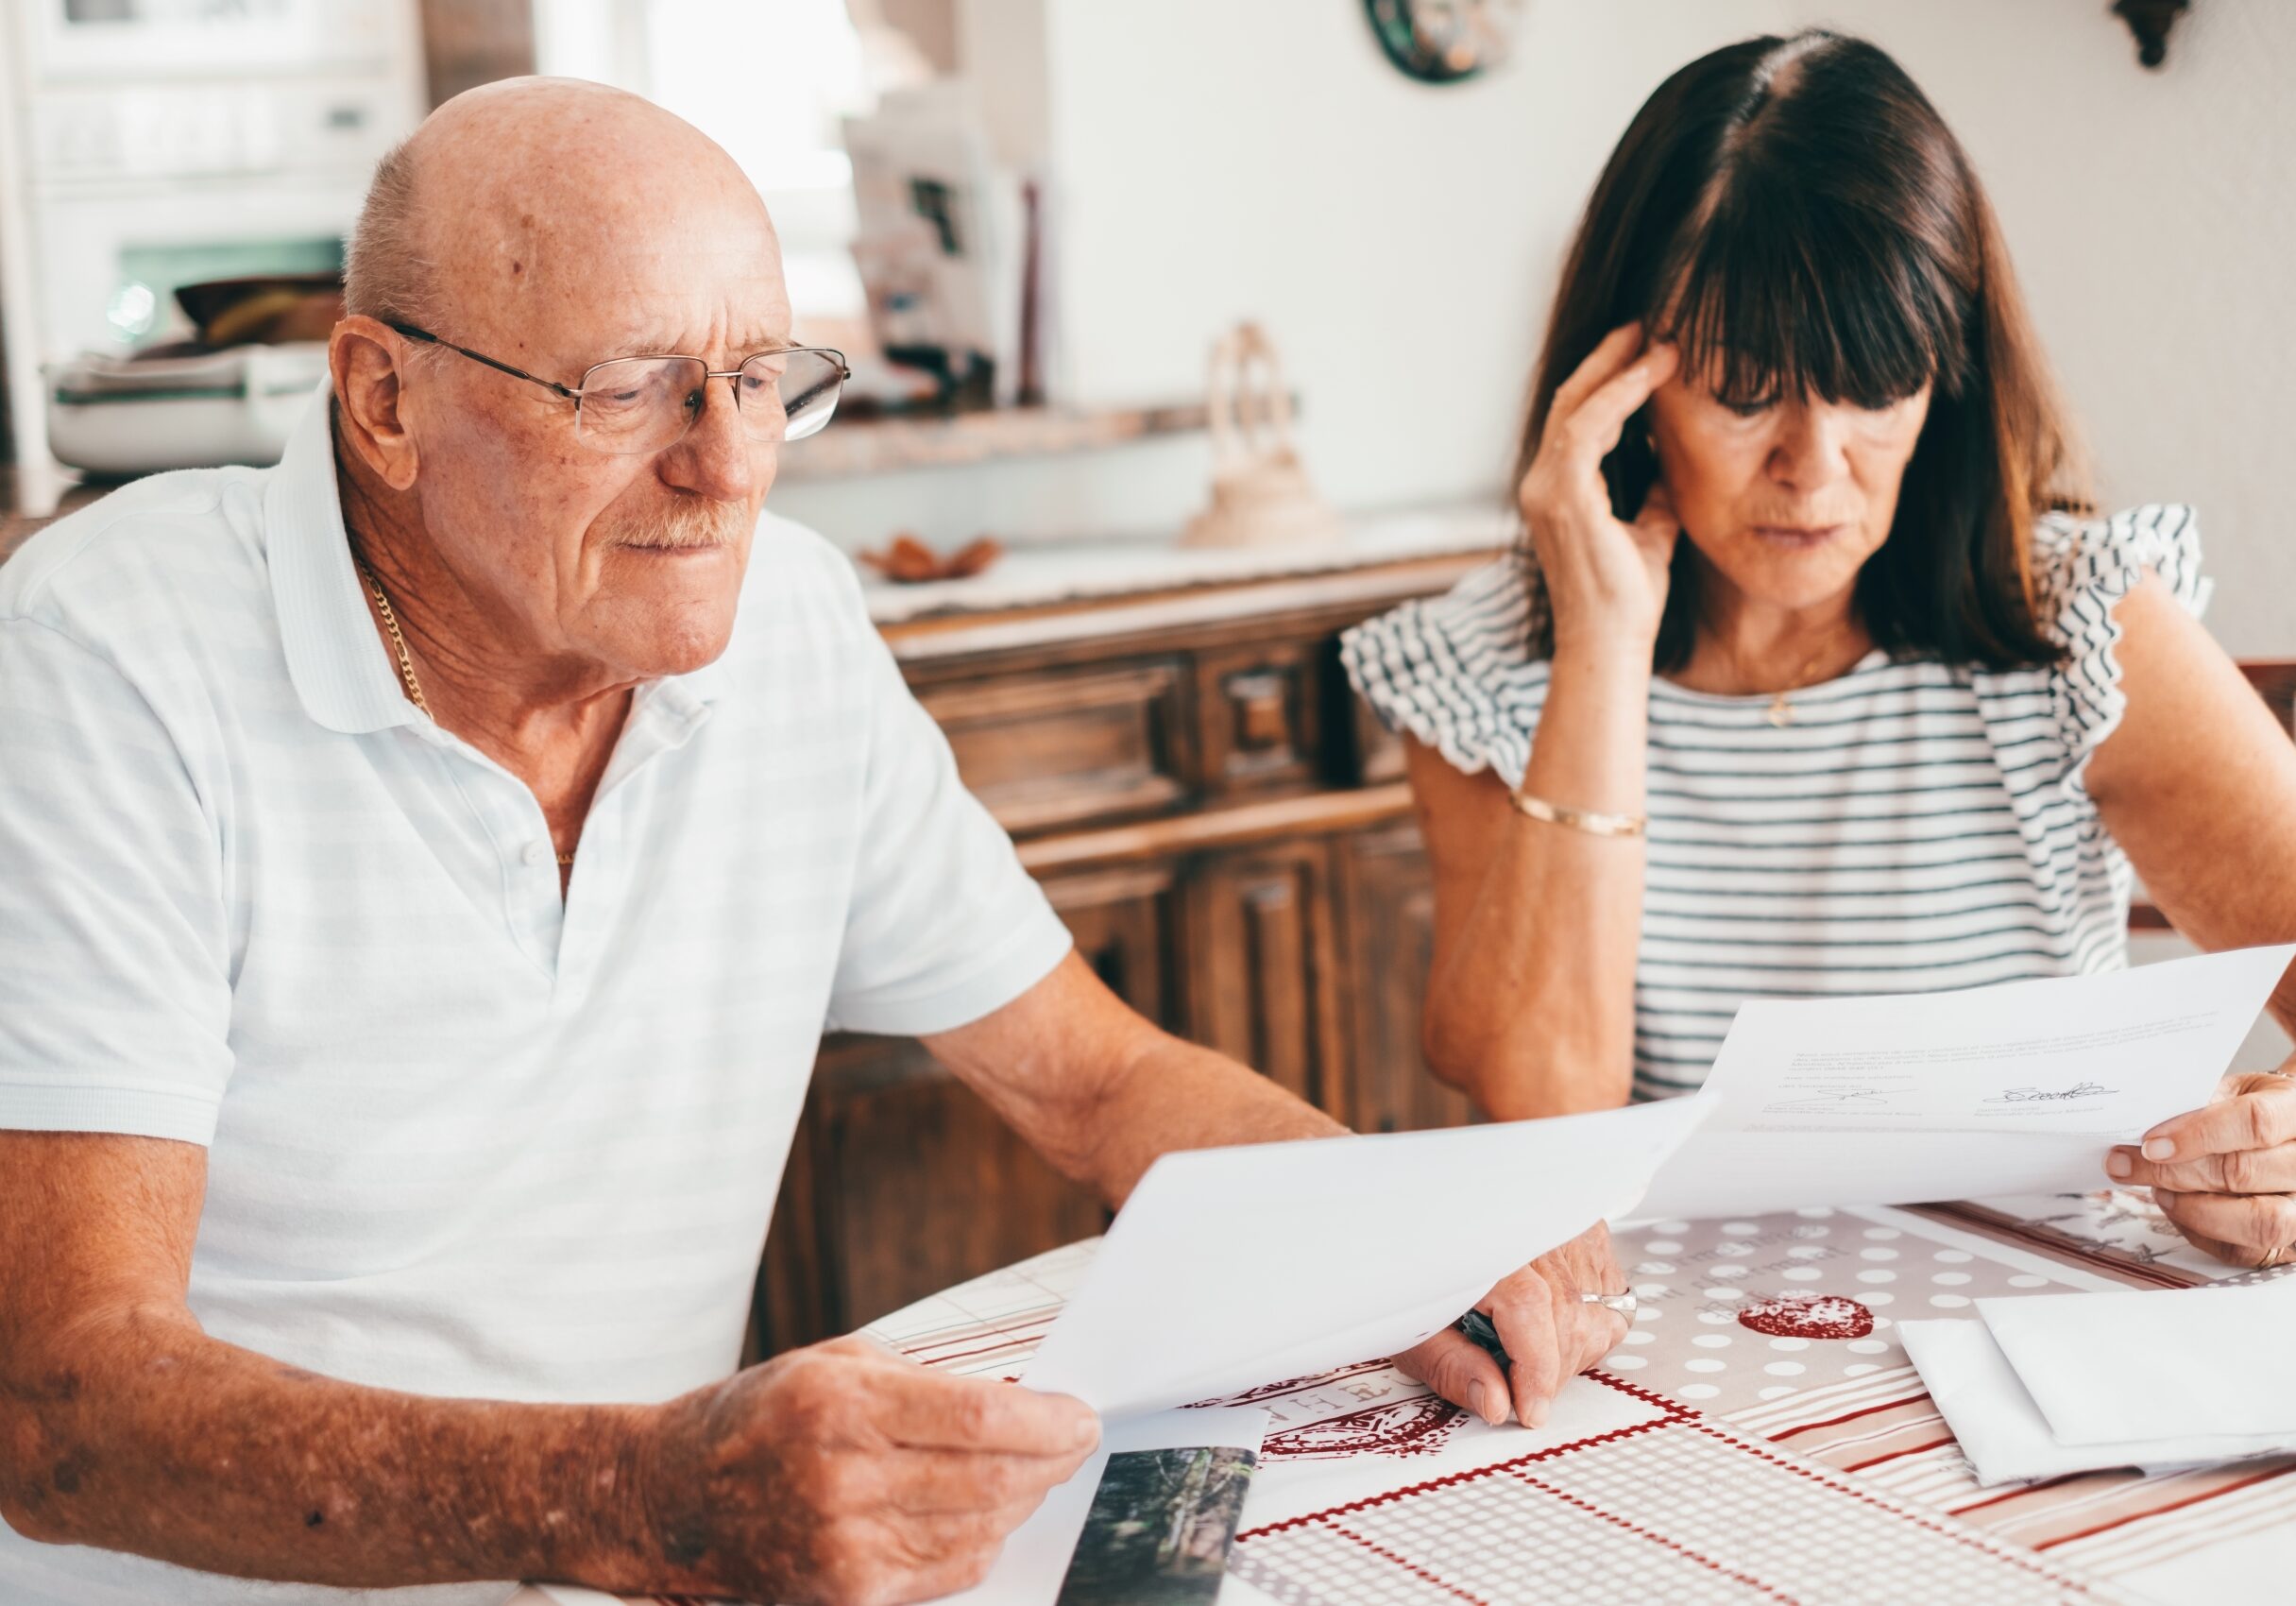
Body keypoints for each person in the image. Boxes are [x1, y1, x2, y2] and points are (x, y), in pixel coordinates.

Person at [0, 79, 1624, 1606]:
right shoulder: (109, 653)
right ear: (382, 395)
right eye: (627, 385)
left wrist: (1398, 1237)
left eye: (763, 378)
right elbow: (63, 1405)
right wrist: (637, 1500)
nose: (721, 468)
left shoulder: (792, 627)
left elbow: (1096, 1078)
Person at [1342, 30, 2296, 1268]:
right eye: (1744, 392)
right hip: (1668, 1347)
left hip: (2046, 1316)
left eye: (1874, 388)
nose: (1814, 467)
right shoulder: (1482, 675)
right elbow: (1541, 1114)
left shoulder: (2076, 631)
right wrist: (1601, 650)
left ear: (1944, 374)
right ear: (1621, 383)